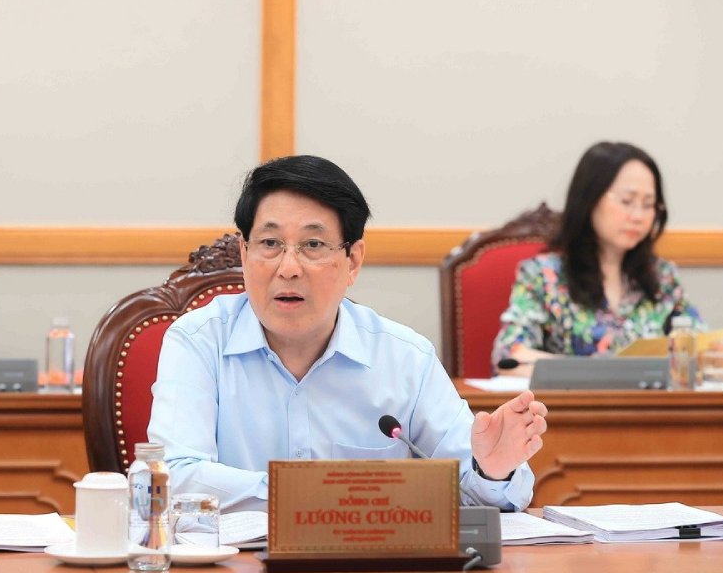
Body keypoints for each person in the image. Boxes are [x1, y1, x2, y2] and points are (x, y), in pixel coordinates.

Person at [148, 155, 547, 513]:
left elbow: (477, 493)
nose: (288, 267)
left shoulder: (404, 358)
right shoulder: (199, 342)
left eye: (313, 244)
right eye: (270, 243)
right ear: (244, 253)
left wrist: (491, 471)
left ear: (353, 261)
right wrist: (320, 493)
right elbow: (174, 476)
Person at [491, 141, 709, 378]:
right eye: (627, 201)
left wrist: (714, 355)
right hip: (571, 412)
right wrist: (599, 373)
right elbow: (509, 356)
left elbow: (701, 346)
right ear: (590, 199)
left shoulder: (662, 276)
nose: (638, 216)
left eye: (648, 205)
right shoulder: (543, 276)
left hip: (651, 411)